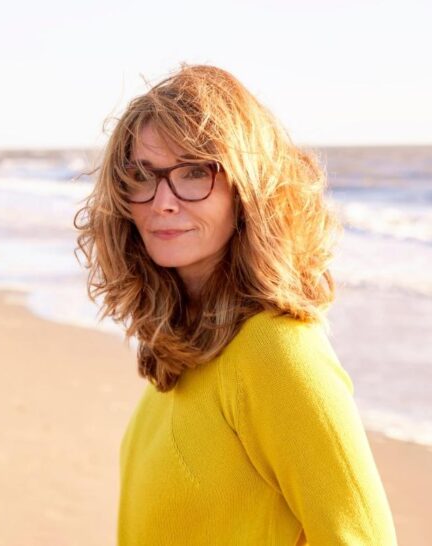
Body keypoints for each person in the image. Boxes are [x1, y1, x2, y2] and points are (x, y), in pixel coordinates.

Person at [73, 64, 397, 545]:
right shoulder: (184, 348)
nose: (162, 201)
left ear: (248, 190)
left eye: (194, 172)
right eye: (142, 175)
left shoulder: (277, 350)